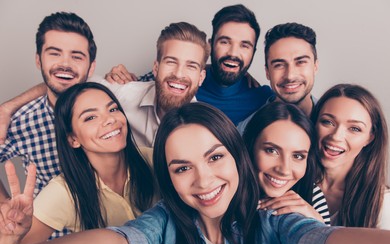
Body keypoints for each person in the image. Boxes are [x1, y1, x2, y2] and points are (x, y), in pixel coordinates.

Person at [2, 102, 390, 244]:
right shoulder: (163, 223)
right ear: (168, 178)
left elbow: (324, 242)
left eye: (215, 157)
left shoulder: (279, 220)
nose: (204, 180)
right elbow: (120, 243)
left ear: (237, 158)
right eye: (182, 167)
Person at [0, 21, 209, 149]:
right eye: (171, 62)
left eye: (191, 66)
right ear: (156, 67)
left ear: (201, 77)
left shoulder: (209, 129)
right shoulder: (122, 95)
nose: (179, 74)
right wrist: (8, 107)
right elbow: (68, 80)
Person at [0, 82, 156, 244]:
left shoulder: (155, 160)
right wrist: (11, 238)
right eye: (90, 117)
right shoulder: (64, 192)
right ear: (73, 139)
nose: (110, 119)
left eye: (112, 109)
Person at [104, 4, 274, 126]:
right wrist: (116, 79)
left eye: (244, 46)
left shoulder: (263, 99)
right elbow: (147, 84)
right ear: (210, 45)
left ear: (253, 52)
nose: (233, 53)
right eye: (224, 42)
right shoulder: (182, 82)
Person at [0, 12, 97, 208]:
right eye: (54, 53)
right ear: (39, 60)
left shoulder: (113, 107)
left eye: (76, 56)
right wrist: (4, 206)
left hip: (111, 233)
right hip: (51, 237)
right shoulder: (20, 121)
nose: (65, 64)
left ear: (91, 67)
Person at [312, 83, 390, 229]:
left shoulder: (382, 204)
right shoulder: (292, 182)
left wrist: (317, 228)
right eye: (327, 122)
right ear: (314, 123)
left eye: (354, 128)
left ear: (370, 137)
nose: (336, 136)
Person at [243, 102, 330, 224]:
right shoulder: (225, 192)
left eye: (298, 156)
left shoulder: (313, 195)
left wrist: (318, 224)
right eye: (272, 151)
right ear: (250, 147)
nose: (284, 170)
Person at [237, 22, 319, 133]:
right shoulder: (246, 130)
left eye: (300, 62)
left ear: (315, 66)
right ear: (267, 72)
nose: (290, 76)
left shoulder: (335, 121)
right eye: (279, 65)